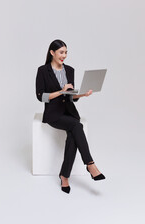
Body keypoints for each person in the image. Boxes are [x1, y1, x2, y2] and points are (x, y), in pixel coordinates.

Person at [35, 39, 105, 194]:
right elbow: (41, 96)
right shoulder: (42, 70)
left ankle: (64, 175)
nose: (64, 55)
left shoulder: (70, 70)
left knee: (74, 134)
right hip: (54, 114)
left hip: (69, 111)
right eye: (61, 52)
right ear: (52, 53)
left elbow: (70, 96)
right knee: (76, 126)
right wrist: (61, 91)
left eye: (66, 52)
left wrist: (83, 94)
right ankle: (90, 164)